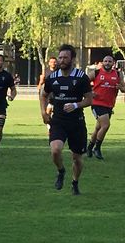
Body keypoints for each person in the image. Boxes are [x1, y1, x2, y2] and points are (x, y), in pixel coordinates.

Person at [39, 44, 93, 195]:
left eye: (65, 58)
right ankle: (61, 171)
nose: (61, 60)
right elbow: (43, 94)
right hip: (58, 121)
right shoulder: (52, 78)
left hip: (77, 122)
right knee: (55, 150)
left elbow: (89, 100)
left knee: (77, 158)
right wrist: (43, 112)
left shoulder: (81, 77)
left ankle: (75, 182)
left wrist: (76, 104)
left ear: (73, 59)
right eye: (60, 57)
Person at [86, 55, 125, 159]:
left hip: (109, 105)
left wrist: (120, 87)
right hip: (97, 104)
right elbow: (83, 82)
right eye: (105, 61)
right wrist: (90, 92)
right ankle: (97, 148)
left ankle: (90, 147)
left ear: (113, 63)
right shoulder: (96, 72)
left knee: (98, 128)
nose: (107, 63)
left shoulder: (118, 74)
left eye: (109, 61)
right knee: (105, 125)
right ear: (102, 62)